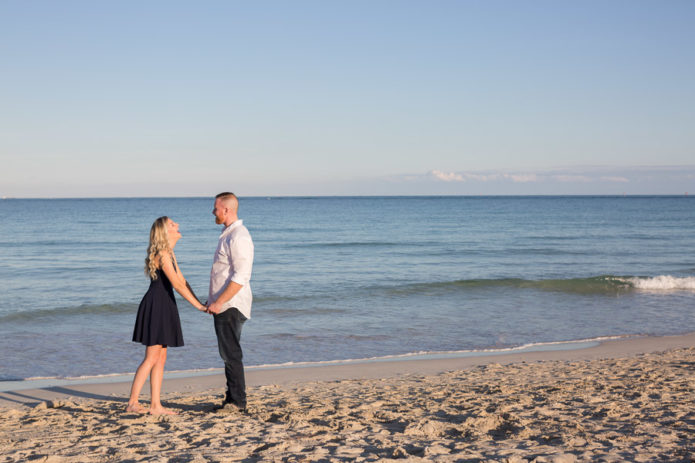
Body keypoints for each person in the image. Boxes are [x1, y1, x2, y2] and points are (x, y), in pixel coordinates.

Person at [127, 216, 206, 415]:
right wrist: (198, 306)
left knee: (161, 358)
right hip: (156, 305)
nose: (177, 225)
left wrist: (202, 302)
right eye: (172, 224)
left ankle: (155, 405)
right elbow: (177, 285)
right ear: (164, 232)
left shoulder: (169, 253)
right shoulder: (162, 254)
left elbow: (182, 280)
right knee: (151, 357)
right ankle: (132, 403)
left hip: (164, 304)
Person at [206, 192, 254, 412]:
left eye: (216, 208)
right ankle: (231, 397)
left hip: (231, 305)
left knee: (230, 353)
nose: (213, 211)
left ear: (226, 209)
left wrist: (219, 302)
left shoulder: (239, 236)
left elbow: (242, 276)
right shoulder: (228, 234)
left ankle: (237, 401)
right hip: (224, 304)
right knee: (227, 352)